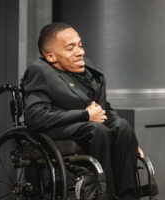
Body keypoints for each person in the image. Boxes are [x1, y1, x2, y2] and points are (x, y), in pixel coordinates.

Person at [23, 22, 144, 200]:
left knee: (122, 127)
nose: (80, 52)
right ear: (51, 57)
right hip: (57, 129)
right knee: (97, 130)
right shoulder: (39, 72)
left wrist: (127, 142)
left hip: (88, 124)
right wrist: (85, 115)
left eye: (80, 45)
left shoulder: (86, 67)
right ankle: (104, 195)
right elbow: (35, 117)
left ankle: (129, 196)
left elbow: (103, 107)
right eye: (70, 48)